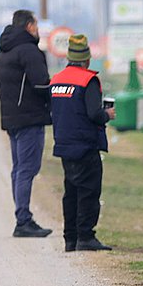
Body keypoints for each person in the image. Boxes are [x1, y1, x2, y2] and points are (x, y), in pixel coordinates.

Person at [49, 35, 116, 252]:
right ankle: (86, 237)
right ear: (87, 59)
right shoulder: (88, 81)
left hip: (64, 144)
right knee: (88, 192)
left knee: (71, 192)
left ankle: (70, 238)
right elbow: (94, 114)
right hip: (85, 145)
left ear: (69, 57)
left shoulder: (57, 80)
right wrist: (107, 114)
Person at [0, 9, 52, 238]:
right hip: (29, 117)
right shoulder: (29, 51)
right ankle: (23, 220)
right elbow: (41, 84)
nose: (38, 30)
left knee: (19, 168)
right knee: (28, 169)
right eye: (36, 25)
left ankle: (22, 216)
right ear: (29, 25)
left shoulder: (5, 50)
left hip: (11, 117)